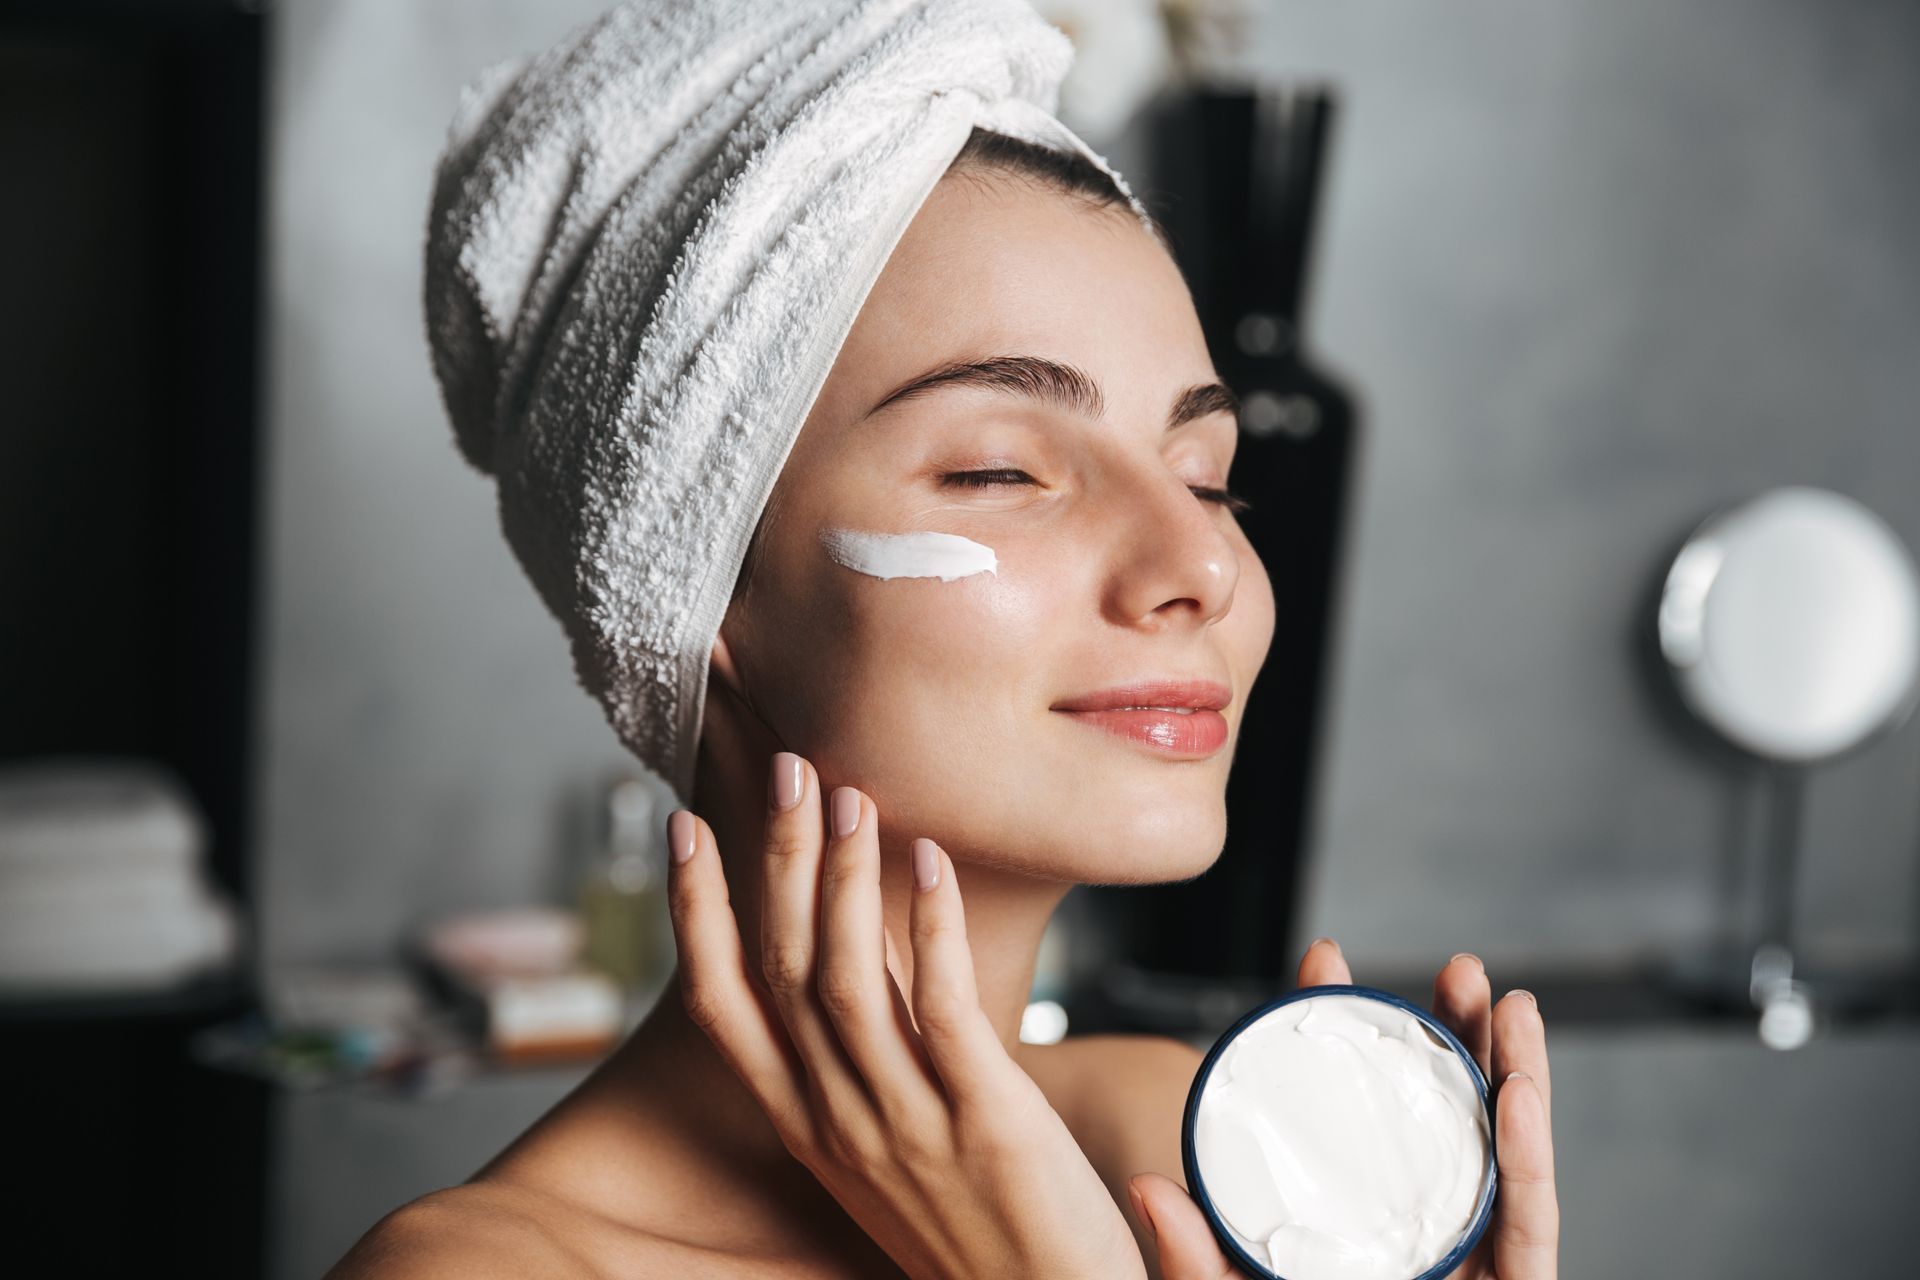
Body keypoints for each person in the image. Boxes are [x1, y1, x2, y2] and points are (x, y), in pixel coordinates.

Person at [331, 111, 1558, 1278]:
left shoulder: (1206, 1155)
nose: (1202, 567)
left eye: (1207, 478)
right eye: (998, 468)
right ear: (696, 591)